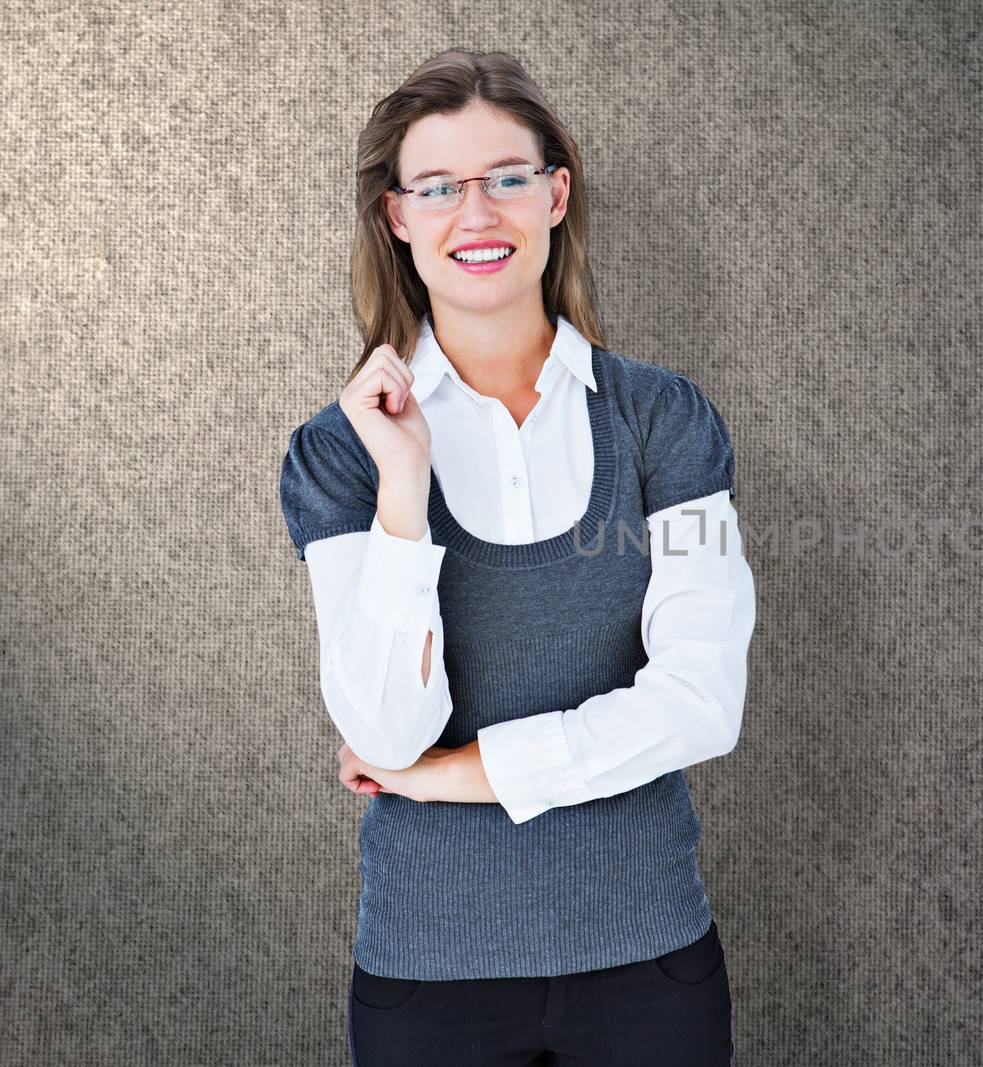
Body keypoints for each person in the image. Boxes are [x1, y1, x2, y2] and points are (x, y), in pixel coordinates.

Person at [277, 49, 755, 1065]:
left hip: (650, 966)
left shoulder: (665, 420)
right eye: (440, 187)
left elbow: (703, 702)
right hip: (429, 980)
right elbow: (380, 725)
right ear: (398, 217)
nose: (477, 214)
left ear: (555, 193)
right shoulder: (338, 452)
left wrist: (449, 776)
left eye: (506, 177)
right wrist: (404, 488)